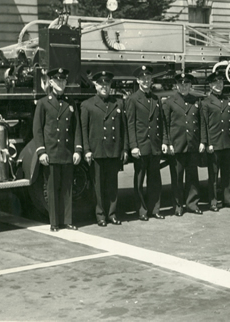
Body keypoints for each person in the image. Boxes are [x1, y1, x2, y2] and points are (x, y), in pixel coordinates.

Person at [33, 68, 82, 232]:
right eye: (57, 80)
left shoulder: (71, 103)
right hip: (52, 153)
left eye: (63, 80)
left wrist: (77, 150)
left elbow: (76, 129)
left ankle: (67, 220)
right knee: (53, 189)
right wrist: (41, 151)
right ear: (51, 82)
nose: (61, 83)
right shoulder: (43, 103)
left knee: (67, 188)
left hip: (67, 152)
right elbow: (38, 130)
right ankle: (54, 222)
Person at [80, 71, 128, 227]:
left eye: (107, 84)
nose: (104, 87)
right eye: (101, 84)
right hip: (97, 151)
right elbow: (84, 130)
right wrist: (86, 150)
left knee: (112, 185)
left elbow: (124, 129)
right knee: (98, 186)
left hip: (114, 150)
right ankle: (100, 215)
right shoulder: (87, 105)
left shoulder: (118, 103)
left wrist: (125, 149)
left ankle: (112, 213)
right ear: (95, 85)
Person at [125, 65, 165, 221]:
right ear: (138, 80)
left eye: (148, 78)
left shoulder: (156, 99)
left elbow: (160, 123)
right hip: (141, 146)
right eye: (143, 79)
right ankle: (141, 210)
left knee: (155, 180)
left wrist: (161, 142)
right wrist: (133, 146)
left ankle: (155, 209)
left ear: (151, 80)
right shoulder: (132, 99)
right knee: (140, 180)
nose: (146, 81)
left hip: (154, 145)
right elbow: (131, 124)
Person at [162, 72, 204, 216]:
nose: (184, 86)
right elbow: (166, 124)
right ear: (177, 85)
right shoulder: (169, 102)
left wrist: (202, 141)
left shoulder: (196, 101)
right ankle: (178, 205)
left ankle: (192, 203)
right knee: (177, 177)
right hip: (177, 145)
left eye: (187, 84)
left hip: (192, 144)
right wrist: (167, 143)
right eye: (181, 84)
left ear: (190, 85)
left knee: (192, 177)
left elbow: (201, 123)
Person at [201, 71, 230, 211]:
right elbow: (204, 125)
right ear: (210, 85)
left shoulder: (228, 101)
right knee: (213, 175)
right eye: (216, 83)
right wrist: (207, 143)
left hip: (227, 143)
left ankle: (228, 199)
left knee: (227, 174)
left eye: (221, 82)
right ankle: (213, 201)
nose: (219, 85)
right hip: (214, 145)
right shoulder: (206, 102)